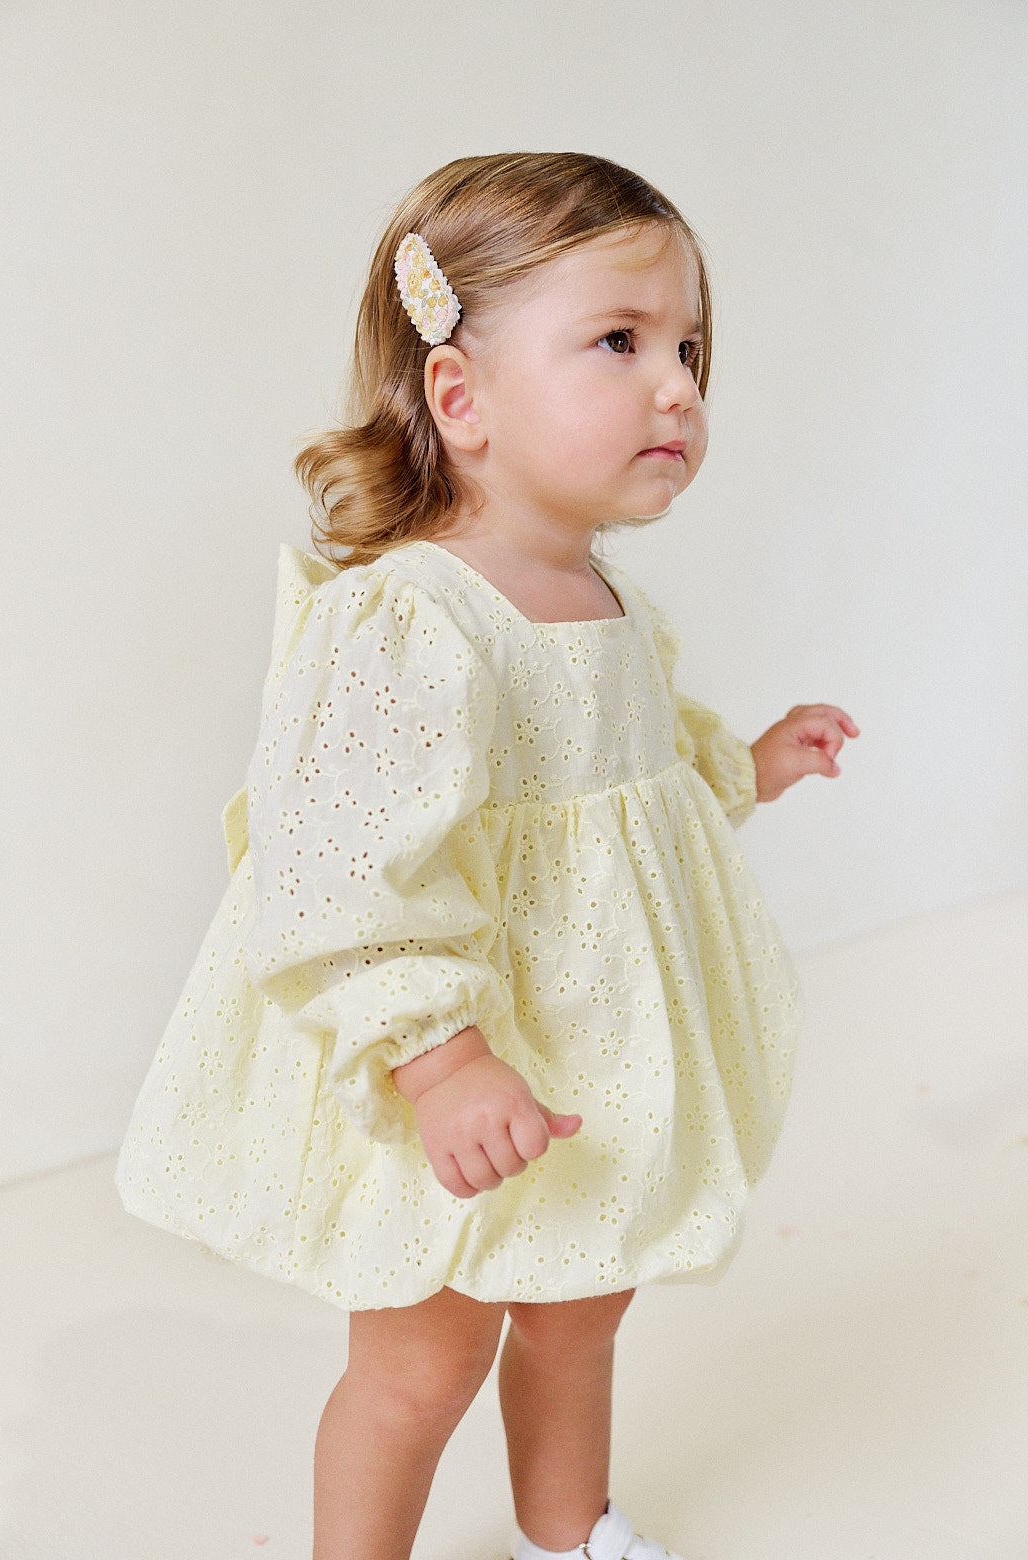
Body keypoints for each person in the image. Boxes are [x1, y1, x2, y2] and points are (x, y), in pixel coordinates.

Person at [116, 151, 858, 1560]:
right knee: (422, 1360)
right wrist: (439, 1058)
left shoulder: (601, 596)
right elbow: (340, 874)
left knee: (584, 1308)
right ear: (460, 398)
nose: (679, 388)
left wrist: (750, 766)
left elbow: (637, 780)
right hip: (456, 1071)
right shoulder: (415, 620)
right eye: (621, 342)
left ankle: (566, 1533)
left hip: (594, 1055)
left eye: (691, 349)